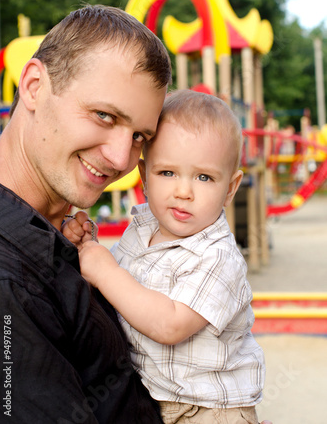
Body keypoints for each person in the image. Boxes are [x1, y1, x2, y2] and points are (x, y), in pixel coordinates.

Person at [0, 4, 172, 423]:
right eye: (104, 115)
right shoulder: (9, 282)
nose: (119, 158)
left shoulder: (56, 236)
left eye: (139, 137)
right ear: (35, 86)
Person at [65, 90, 268, 424]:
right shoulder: (141, 228)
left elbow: (170, 324)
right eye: (167, 173)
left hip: (211, 410)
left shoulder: (218, 257)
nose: (183, 191)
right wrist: (88, 246)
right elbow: (121, 282)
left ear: (230, 189)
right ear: (144, 177)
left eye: (204, 177)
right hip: (154, 401)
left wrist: (101, 270)